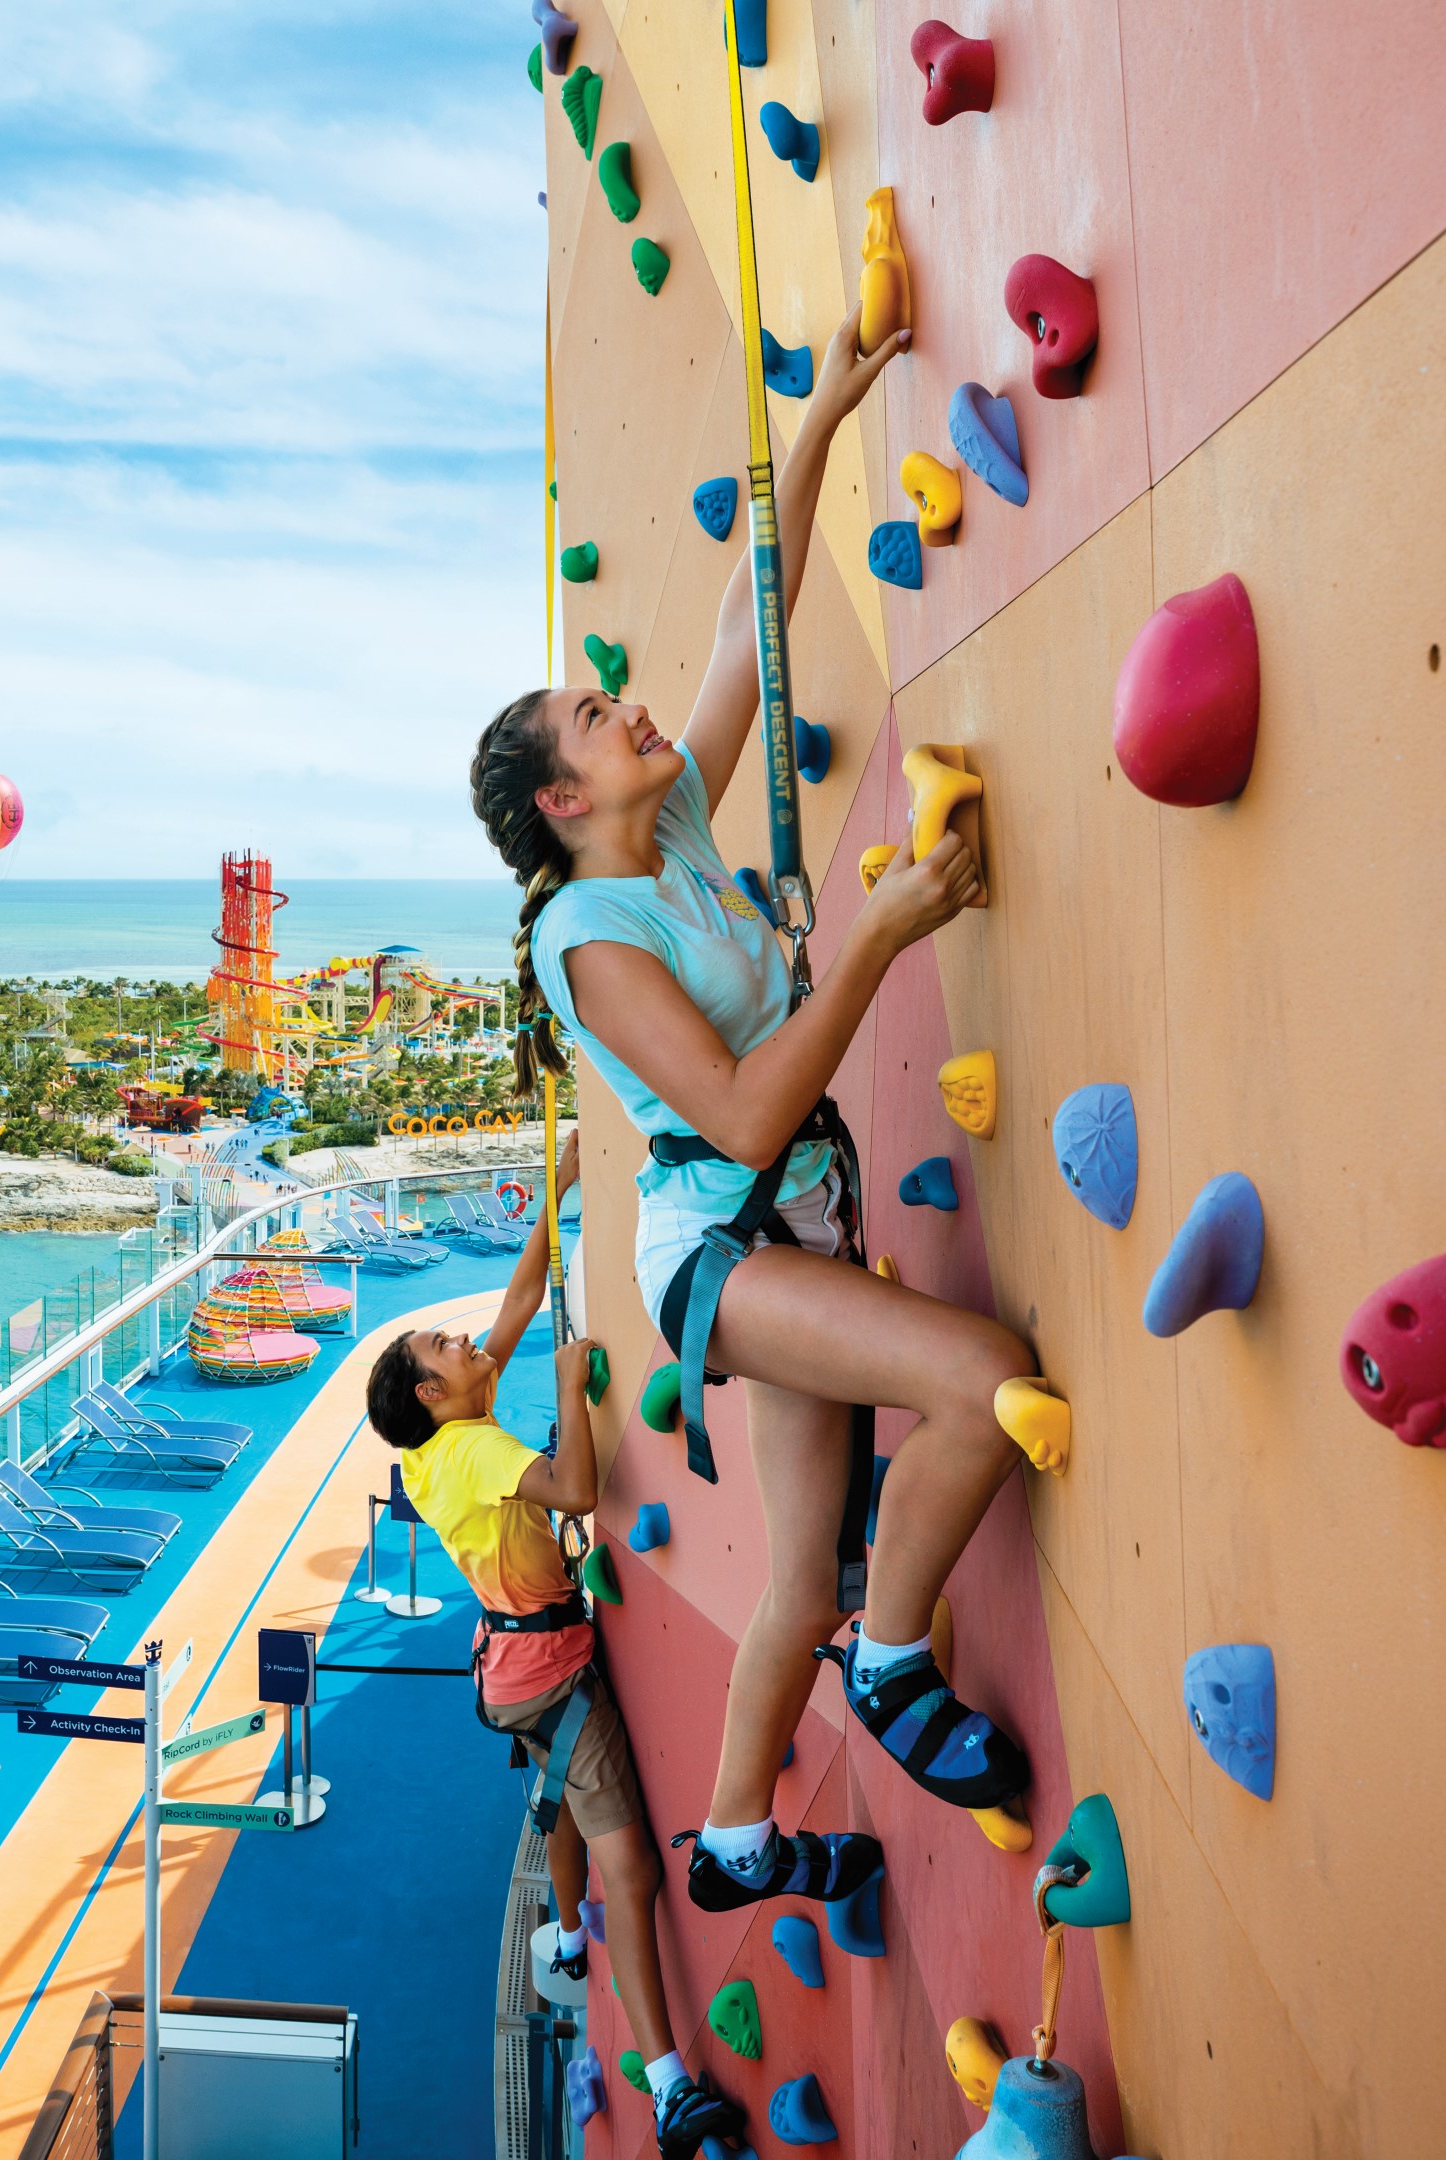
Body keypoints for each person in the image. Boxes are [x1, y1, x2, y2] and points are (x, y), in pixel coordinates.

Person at [467, 316, 1044, 1924]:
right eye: (595, 718)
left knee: (796, 1575)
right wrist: (875, 936)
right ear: (563, 800)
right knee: (982, 1382)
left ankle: (732, 1845)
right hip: (722, 1243)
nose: (629, 708)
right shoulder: (587, 937)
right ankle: (898, 1659)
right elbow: (731, 1117)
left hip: (789, 1215)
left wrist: (826, 414)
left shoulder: (669, 832)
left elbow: (751, 624)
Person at [365, 1142, 747, 2159]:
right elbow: (578, 1491)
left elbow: (521, 1300)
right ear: (432, 1393)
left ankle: (569, 1940)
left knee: (561, 1805)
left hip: (512, 1671)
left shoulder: (443, 1442)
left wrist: (555, 1191)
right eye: (443, 1346)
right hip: (549, 1671)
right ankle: (668, 2083)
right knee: (634, 1868)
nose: (462, 1338)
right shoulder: (479, 1450)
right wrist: (572, 1387)